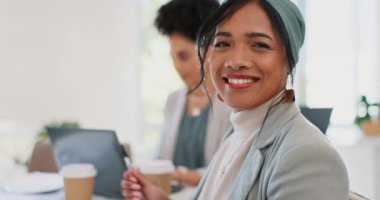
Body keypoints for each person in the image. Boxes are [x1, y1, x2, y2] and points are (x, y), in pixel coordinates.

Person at [121, 0, 350, 199]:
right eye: (223, 44)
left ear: (289, 61)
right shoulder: (237, 134)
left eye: (259, 44)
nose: (235, 60)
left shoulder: (309, 156)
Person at [154, 0, 231, 186]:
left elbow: (231, 173)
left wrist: (188, 176)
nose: (177, 67)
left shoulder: (232, 104)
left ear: (210, 49)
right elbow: (161, 160)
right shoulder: (173, 101)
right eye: (173, 58)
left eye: (184, 56)